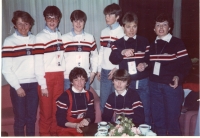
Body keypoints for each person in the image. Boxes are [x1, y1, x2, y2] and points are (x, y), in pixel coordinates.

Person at [148, 13, 192, 136]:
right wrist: (143, 65)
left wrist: (179, 76)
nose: (161, 28)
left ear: (169, 27)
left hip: (171, 87)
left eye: (164, 25)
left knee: (172, 122)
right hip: (154, 86)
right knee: (158, 121)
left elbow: (186, 65)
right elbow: (148, 65)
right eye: (158, 25)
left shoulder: (177, 43)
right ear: (154, 28)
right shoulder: (151, 46)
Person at [109, 12, 151, 125]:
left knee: (145, 112)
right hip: (126, 84)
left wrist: (145, 65)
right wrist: (122, 52)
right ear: (123, 27)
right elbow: (113, 59)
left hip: (143, 83)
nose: (131, 30)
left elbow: (150, 60)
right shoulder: (117, 43)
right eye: (128, 27)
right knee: (126, 114)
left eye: (134, 26)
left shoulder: (144, 41)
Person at [2, 10, 38, 136]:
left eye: (26, 24)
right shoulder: (9, 41)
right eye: (20, 24)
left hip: (34, 85)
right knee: (20, 120)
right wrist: (17, 87)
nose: (23, 27)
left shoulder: (35, 40)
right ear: (15, 25)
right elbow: (6, 69)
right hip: (18, 86)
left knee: (31, 119)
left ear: (30, 25)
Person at [34, 6, 65, 136]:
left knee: (55, 112)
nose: (52, 21)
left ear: (58, 20)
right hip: (46, 78)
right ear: (45, 19)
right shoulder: (40, 37)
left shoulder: (59, 35)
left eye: (55, 18)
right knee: (46, 113)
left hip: (59, 77)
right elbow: (38, 63)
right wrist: (43, 85)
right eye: (49, 18)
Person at [97, 3, 125, 112]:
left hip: (117, 72)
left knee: (118, 103)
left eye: (110, 15)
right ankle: (104, 127)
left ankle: (119, 128)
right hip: (104, 71)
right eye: (106, 15)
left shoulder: (123, 32)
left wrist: (117, 68)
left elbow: (124, 55)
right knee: (104, 103)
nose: (107, 18)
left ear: (117, 17)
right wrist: (99, 69)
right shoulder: (104, 32)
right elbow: (101, 51)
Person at [62, 10, 98, 91]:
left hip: (84, 78)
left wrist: (93, 72)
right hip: (68, 78)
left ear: (84, 22)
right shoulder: (64, 38)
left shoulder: (90, 38)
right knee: (69, 103)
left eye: (81, 21)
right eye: (75, 21)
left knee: (84, 102)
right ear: (72, 22)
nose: (78, 24)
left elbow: (95, 56)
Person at [56, 67, 95, 136]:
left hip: (82, 129)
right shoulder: (64, 97)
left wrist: (87, 120)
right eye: (76, 80)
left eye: (82, 79)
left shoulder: (89, 95)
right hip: (66, 129)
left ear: (86, 81)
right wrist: (75, 125)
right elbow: (60, 121)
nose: (79, 83)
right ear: (71, 82)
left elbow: (91, 114)